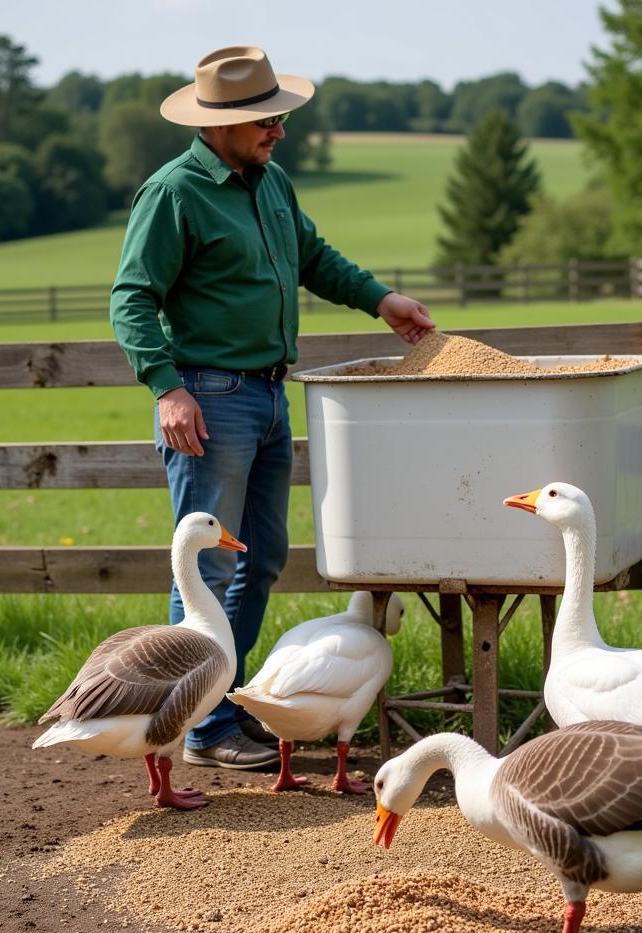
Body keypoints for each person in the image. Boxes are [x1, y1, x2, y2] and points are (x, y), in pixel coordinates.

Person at [110, 45, 435, 771]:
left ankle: (225, 710)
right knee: (208, 572)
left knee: (260, 561)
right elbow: (131, 298)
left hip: (268, 393)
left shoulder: (271, 182)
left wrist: (381, 301)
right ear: (219, 124)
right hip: (210, 398)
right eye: (265, 121)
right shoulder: (174, 193)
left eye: (279, 118)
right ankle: (190, 728)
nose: (279, 132)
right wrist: (167, 388)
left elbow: (313, 257)